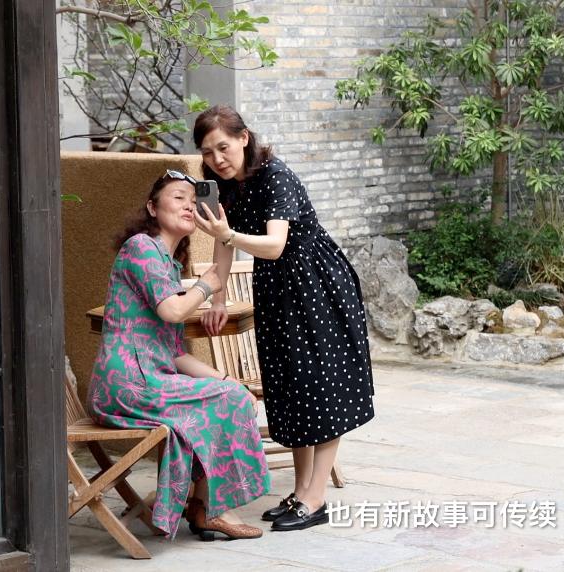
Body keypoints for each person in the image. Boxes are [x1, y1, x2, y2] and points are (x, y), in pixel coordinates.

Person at [192, 105, 375, 531]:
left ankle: (316, 496)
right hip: (277, 290)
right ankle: (298, 491)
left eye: (223, 147)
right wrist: (217, 299)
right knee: (290, 387)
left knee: (320, 385)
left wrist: (227, 234)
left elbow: (274, 245)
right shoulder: (225, 187)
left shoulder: (276, 176)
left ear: (244, 138)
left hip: (316, 284)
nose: (217, 158)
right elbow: (222, 250)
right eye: (207, 152)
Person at [88, 170, 271, 540]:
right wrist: (206, 287)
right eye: (178, 198)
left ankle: (201, 506)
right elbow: (172, 311)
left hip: (149, 379)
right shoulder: (141, 247)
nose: (188, 205)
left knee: (231, 395)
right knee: (229, 400)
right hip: (126, 384)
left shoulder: (167, 264)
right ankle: (211, 509)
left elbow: (174, 354)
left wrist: (227, 380)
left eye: (193, 201)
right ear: (152, 208)